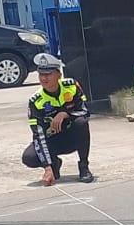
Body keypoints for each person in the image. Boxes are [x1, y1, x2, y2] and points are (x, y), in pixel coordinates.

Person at [22, 53, 94, 186]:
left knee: (82, 122)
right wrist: (47, 166)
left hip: (72, 136)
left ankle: (84, 166)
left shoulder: (71, 86)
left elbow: (86, 111)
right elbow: (38, 135)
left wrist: (65, 114)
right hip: (52, 140)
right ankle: (55, 164)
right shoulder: (36, 101)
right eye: (41, 74)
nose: (44, 78)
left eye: (48, 74)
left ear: (58, 75)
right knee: (29, 157)